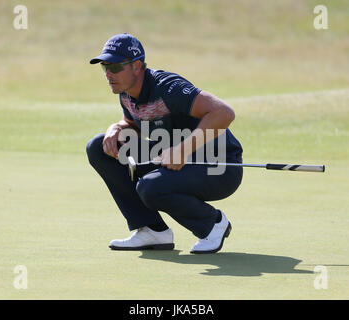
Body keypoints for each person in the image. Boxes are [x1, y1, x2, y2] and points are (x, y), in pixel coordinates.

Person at [86, 33, 243, 254]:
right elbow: (134, 123)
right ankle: (152, 230)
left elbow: (224, 113)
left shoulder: (168, 87)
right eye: (105, 67)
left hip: (218, 164)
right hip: (173, 155)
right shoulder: (126, 93)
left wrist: (183, 149)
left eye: (116, 67)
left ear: (137, 66)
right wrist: (117, 128)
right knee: (98, 146)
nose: (109, 74)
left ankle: (212, 224)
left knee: (151, 187)